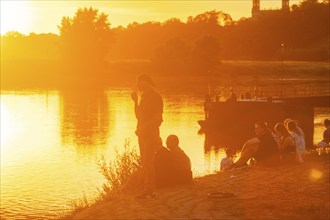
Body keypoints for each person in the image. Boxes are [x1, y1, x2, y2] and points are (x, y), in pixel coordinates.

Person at [131, 74, 163, 199]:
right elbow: (139, 116)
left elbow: (158, 119)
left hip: (150, 135)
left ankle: (148, 189)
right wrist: (135, 102)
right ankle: (147, 188)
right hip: (142, 135)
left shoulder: (155, 97)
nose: (137, 85)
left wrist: (144, 128)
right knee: (145, 162)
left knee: (148, 162)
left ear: (147, 83)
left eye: (139, 83)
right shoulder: (143, 97)